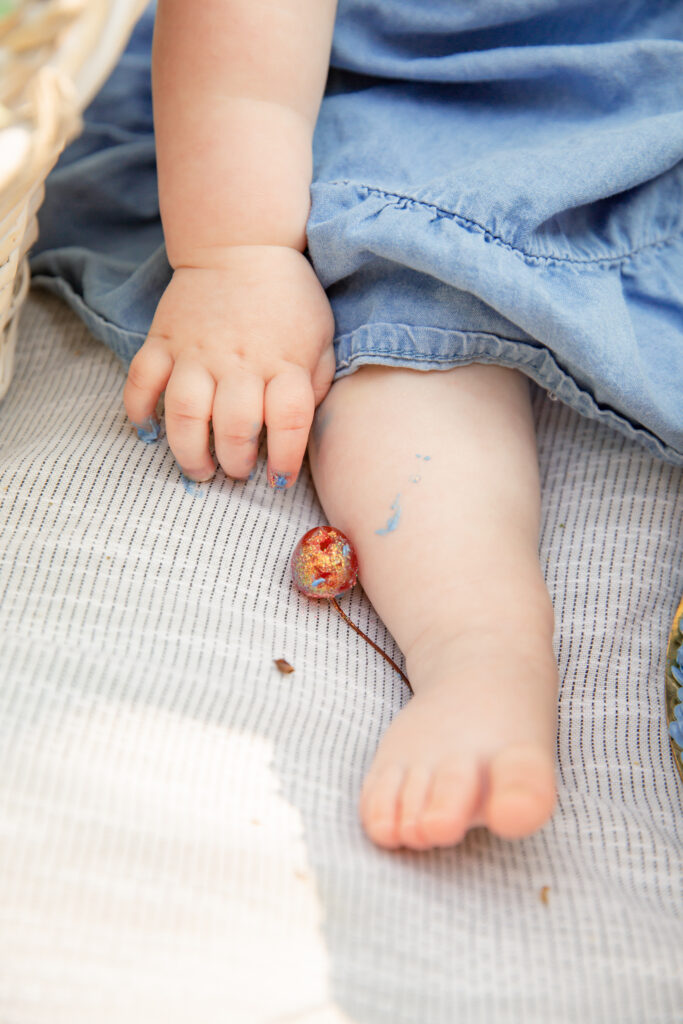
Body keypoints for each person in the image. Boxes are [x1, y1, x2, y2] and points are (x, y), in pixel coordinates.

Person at [30, 0, 683, 849]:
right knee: (396, 332)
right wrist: (243, 253)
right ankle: (478, 649)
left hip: (646, 90)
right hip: (378, 100)